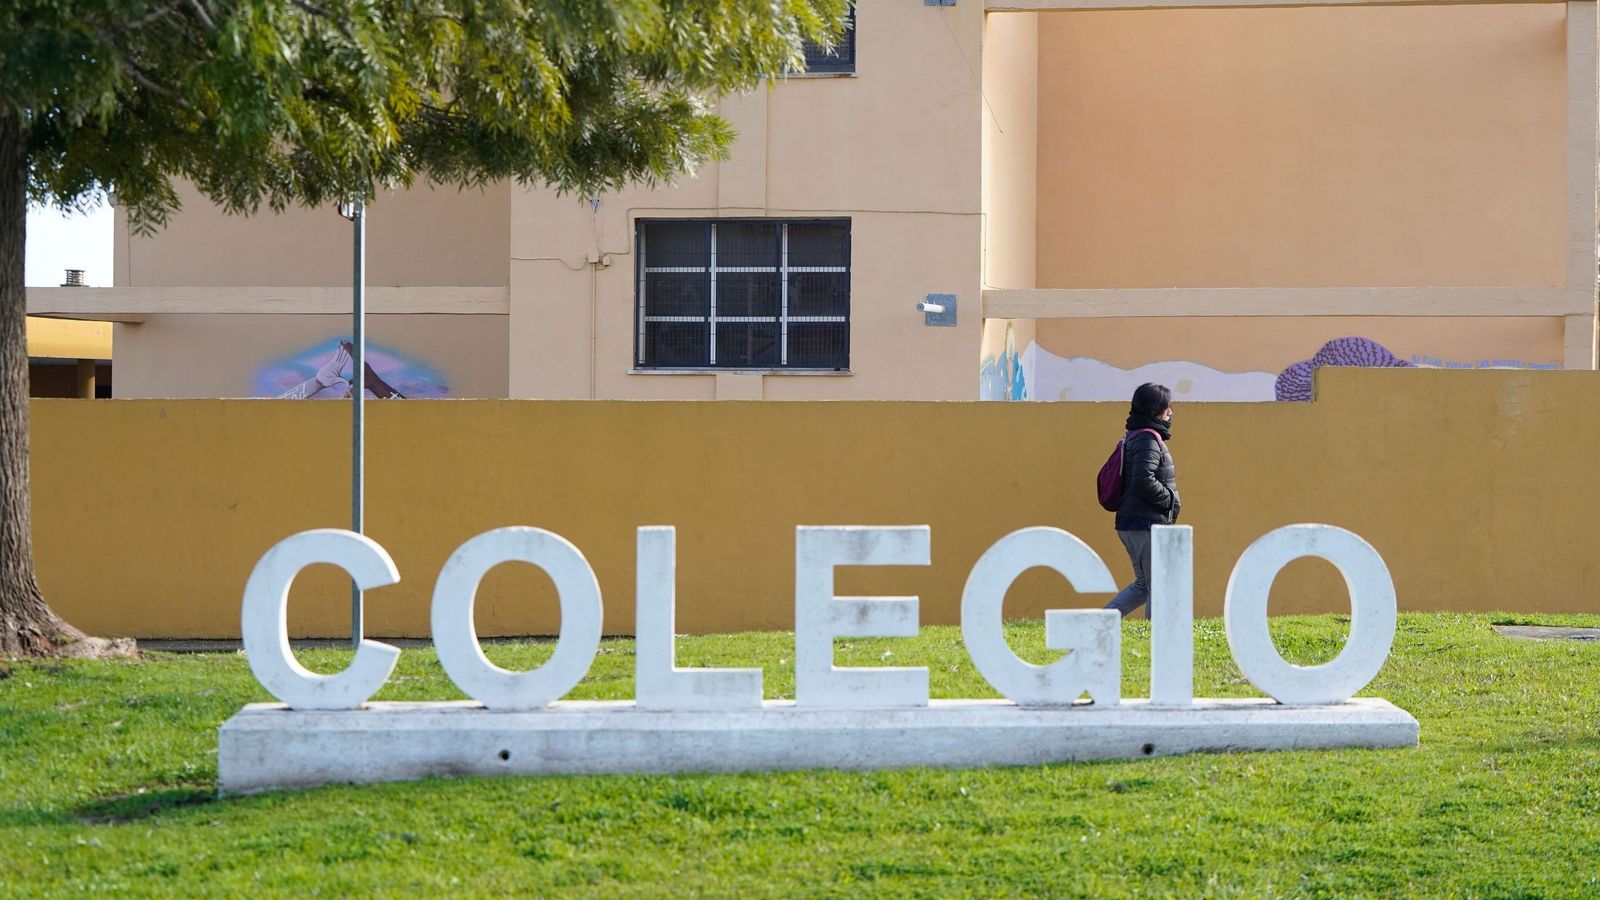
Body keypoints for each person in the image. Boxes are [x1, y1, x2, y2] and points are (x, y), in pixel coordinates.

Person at [1105, 383, 1179, 619]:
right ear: (1156, 409)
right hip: (1143, 523)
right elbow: (1143, 480)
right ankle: (1153, 637)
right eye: (1167, 406)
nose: (1171, 412)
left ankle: (1098, 623)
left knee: (1144, 586)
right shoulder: (1147, 439)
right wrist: (1170, 500)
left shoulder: (1137, 435)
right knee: (1156, 585)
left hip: (1136, 522)